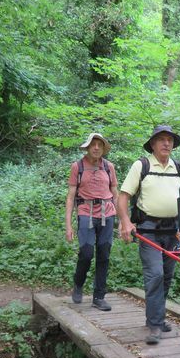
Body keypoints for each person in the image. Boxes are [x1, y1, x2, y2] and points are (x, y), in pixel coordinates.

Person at [118, 125, 180, 345]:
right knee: (155, 275)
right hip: (148, 231)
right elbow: (123, 197)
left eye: (170, 140)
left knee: (166, 277)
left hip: (173, 233)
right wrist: (125, 223)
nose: (166, 143)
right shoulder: (142, 165)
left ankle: (156, 317)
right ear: (153, 144)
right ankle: (155, 324)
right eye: (161, 140)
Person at [66, 133, 119, 311]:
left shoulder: (109, 167)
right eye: (93, 144)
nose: (96, 147)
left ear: (104, 148)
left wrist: (122, 218)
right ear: (87, 147)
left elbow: (115, 192)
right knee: (86, 253)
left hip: (107, 213)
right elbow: (71, 196)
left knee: (104, 255)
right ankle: (78, 283)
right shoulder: (78, 166)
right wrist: (68, 225)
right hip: (85, 213)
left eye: (100, 145)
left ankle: (99, 297)